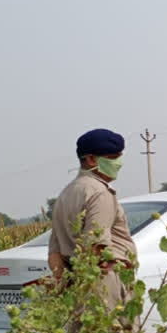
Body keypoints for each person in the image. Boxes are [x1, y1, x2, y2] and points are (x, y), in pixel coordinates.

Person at [48, 128, 135, 312]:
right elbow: (95, 247)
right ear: (91, 160)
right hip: (103, 280)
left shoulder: (65, 194)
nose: (119, 163)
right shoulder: (99, 192)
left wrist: (67, 286)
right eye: (113, 157)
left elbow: (54, 254)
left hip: (76, 282)